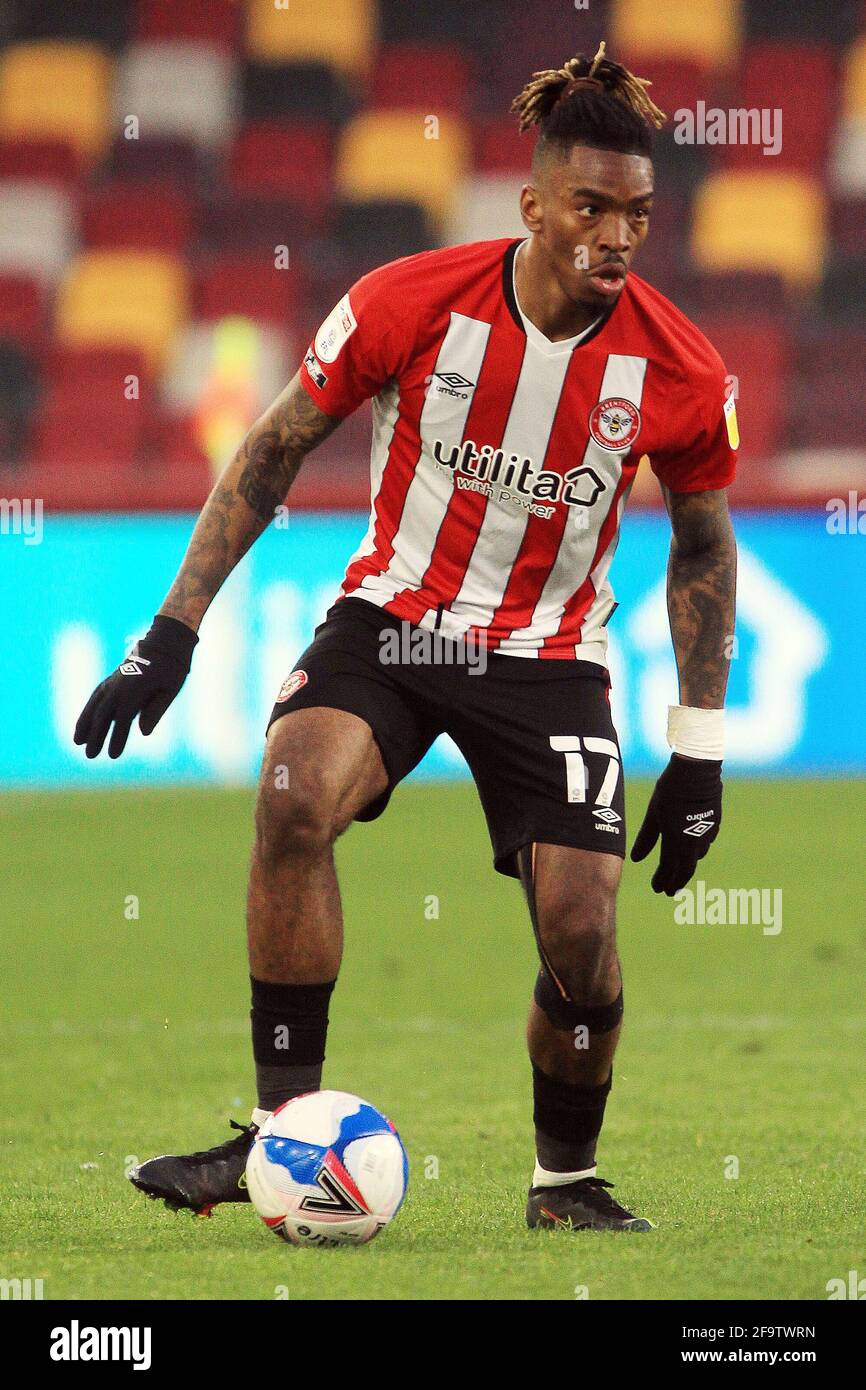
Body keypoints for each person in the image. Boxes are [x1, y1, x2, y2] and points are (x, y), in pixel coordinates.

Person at [75, 44, 737, 1233]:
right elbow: (271, 450)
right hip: (395, 621)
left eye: (637, 214)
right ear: (531, 205)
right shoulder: (407, 300)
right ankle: (280, 1140)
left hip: (549, 656)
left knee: (584, 938)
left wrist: (698, 747)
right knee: (290, 795)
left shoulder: (679, 367)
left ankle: (563, 1182)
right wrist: (168, 633)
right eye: (589, 207)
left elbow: (699, 548)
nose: (615, 236)